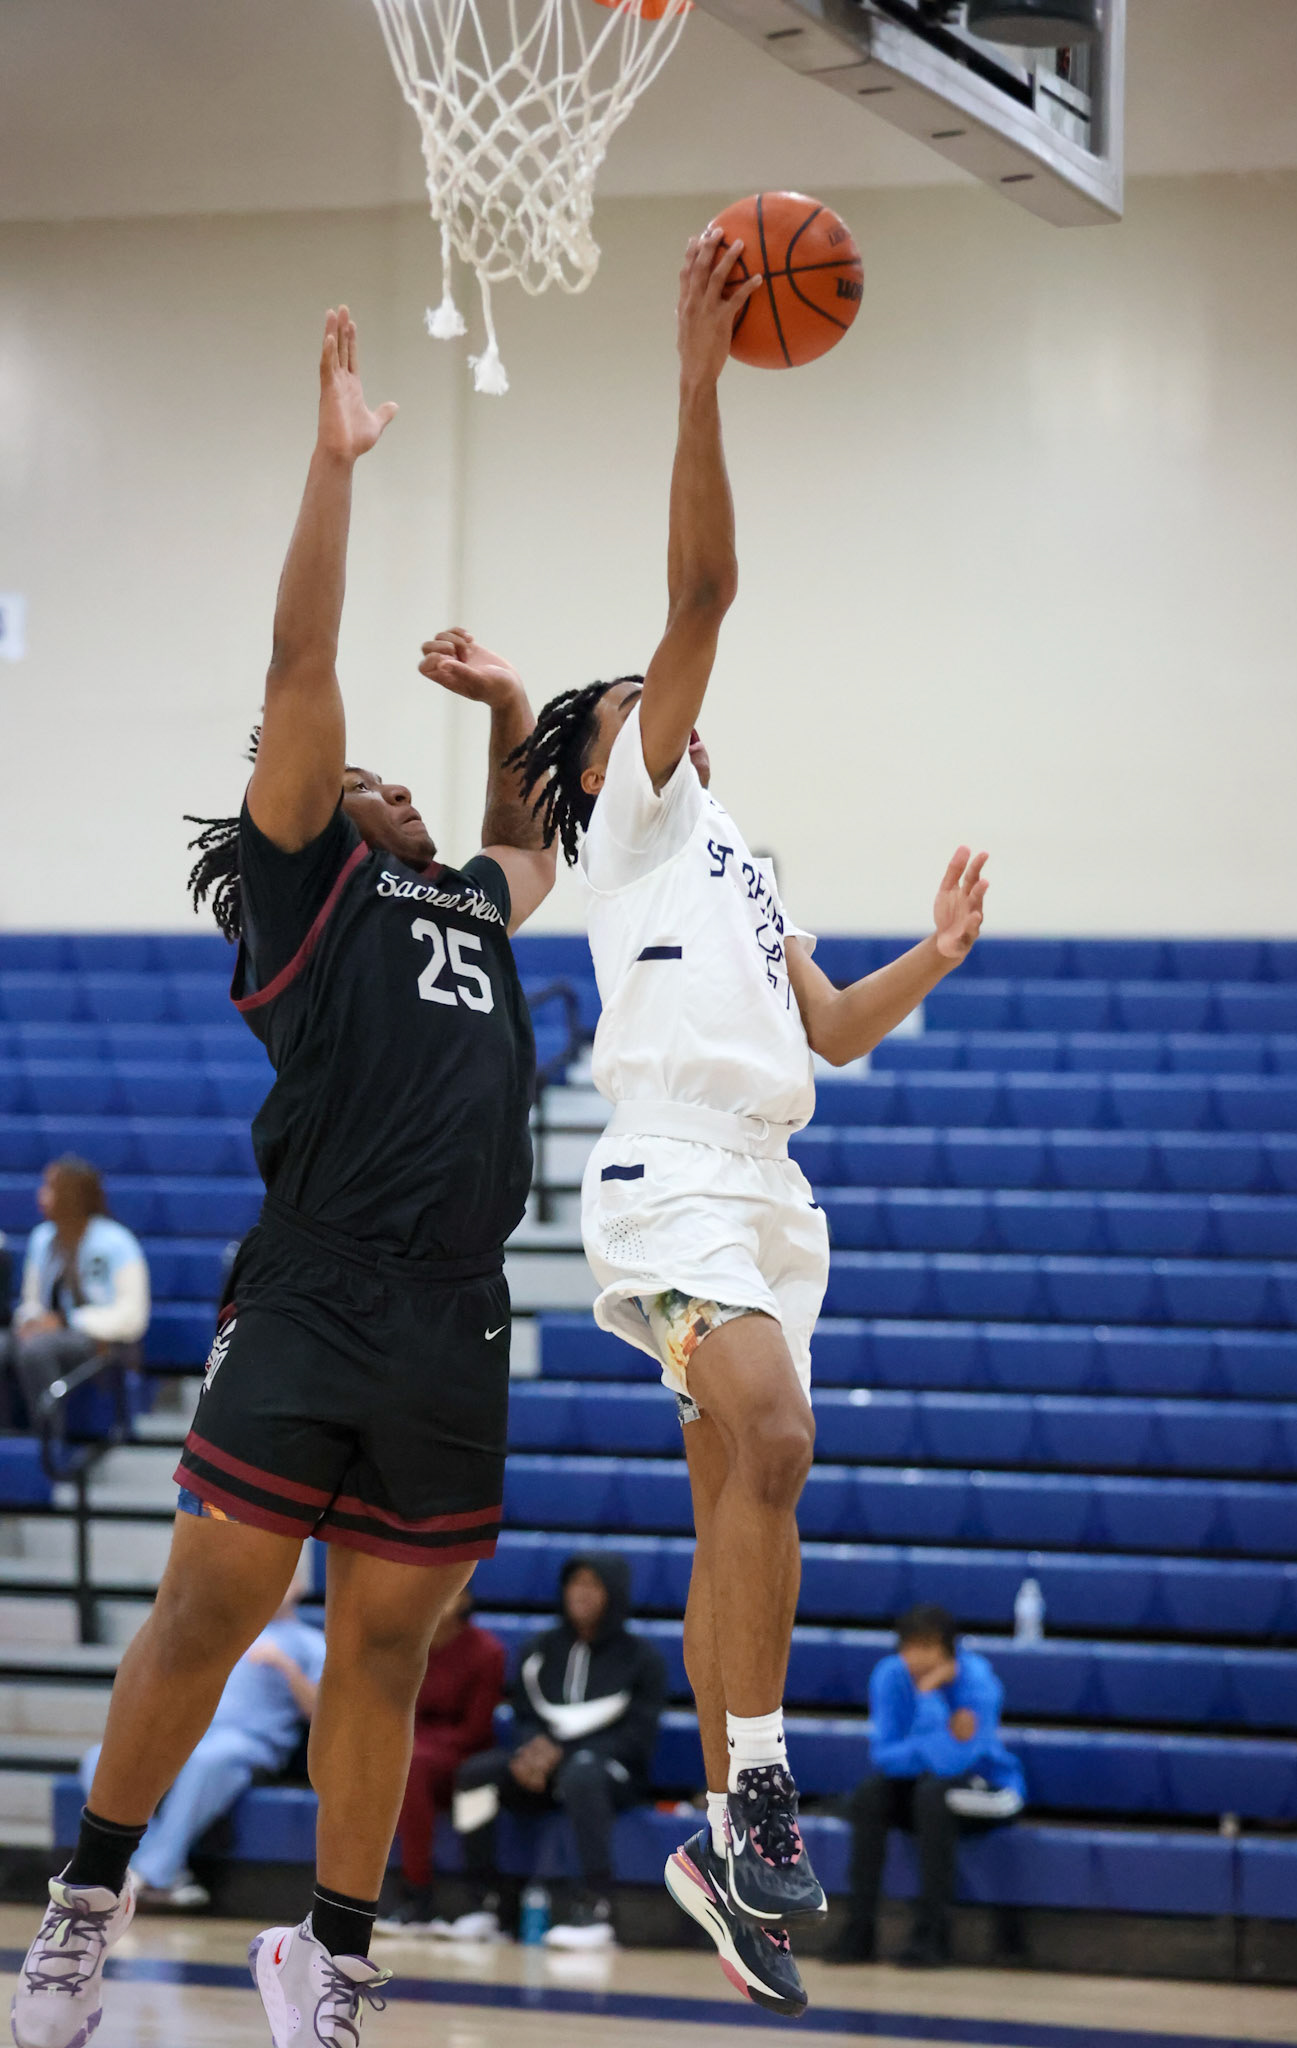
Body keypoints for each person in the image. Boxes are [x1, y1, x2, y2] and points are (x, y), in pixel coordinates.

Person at [11, 306, 556, 2048]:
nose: (383, 783)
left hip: (456, 1311)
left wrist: (512, 708)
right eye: (356, 778)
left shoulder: (463, 898)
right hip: (318, 1283)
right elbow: (302, 661)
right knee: (215, 1602)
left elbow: (533, 839)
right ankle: (85, 1914)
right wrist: (330, 469)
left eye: (401, 784)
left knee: (386, 1645)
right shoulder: (310, 897)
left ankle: (332, 1956)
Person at [505, 230, 988, 2019]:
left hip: (771, 1184)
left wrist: (929, 956)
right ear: (600, 758)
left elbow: (837, 1029)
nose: (666, 700)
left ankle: (716, 1823)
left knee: (739, 1490)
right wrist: (700, 384)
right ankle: (766, 1786)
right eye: (631, 701)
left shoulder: (734, 847)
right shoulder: (627, 810)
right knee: (774, 1436)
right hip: (664, 1176)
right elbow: (701, 601)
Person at [78, 1555, 325, 1910]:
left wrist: (287, 1669)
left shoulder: (309, 1642)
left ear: (300, 1586)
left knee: (211, 1759)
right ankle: (150, 1873)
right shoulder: (223, 1634)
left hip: (249, 1742)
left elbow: (321, 1712)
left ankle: (149, 1876)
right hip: (189, 1736)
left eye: (283, 1579)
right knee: (99, 1757)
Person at [451, 1552, 666, 1951]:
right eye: (575, 1584)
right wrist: (531, 1751)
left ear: (614, 1594)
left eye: (592, 1585)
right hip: (542, 1770)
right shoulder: (539, 1650)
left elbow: (638, 1735)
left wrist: (563, 1753)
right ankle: (485, 1904)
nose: (581, 1594)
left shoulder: (642, 1659)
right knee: (474, 1776)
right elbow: (525, 1715)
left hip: (612, 1773)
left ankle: (595, 1909)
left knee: (582, 1775)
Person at [829, 1604, 1025, 1968]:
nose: (915, 1658)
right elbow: (884, 1756)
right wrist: (938, 1739)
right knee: (870, 1796)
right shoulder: (889, 1676)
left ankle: (933, 1935)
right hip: (925, 1789)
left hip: (992, 1792)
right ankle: (858, 1931)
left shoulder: (979, 1685)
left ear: (949, 1650)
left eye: (927, 1647)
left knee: (934, 1796)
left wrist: (928, 1696)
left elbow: (955, 1764)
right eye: (908, 1647)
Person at [376, 1586, 505, 1934]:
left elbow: (476, 1731)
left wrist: (413, 1743)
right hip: (411, 1750)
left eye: (451, 1588)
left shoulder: (487, 1651)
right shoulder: (409, 1645)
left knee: (410, 1764)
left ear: (466, 1599)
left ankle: (418, 1896)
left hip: (462, 1757)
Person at [0, 1157, 150, 1431]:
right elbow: (31, 1302)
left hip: (102, 1342)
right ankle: (9, 1439)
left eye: (49, 1188)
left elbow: (132, 1318)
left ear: (71, 1196)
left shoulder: (117, 1242)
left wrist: (69, 1321)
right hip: (51, 1334)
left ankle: (49, 1443)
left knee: (37, 1349)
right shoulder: (42, 1238)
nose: (41, 1195)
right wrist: (30, 1320)